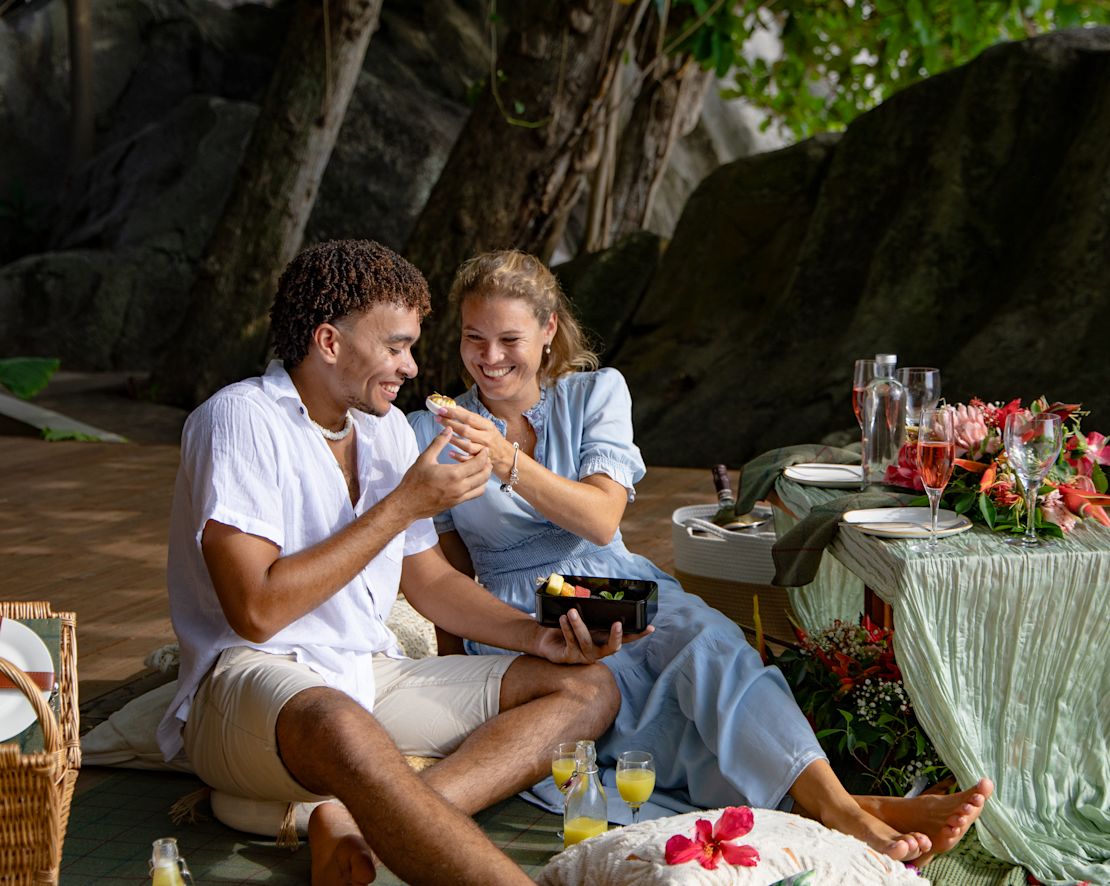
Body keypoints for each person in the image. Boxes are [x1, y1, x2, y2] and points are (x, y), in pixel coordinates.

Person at [407, 249, 993, 868]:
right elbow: (448, 570)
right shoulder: (428, 430)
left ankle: (842, 810)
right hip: (515, 612)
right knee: (637, 717)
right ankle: (857, 808)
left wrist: (507, 460)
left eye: (509, 339)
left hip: (615, 581)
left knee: (710, 644)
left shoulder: (595, 393)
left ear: (548, 329)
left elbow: (601, 519)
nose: (490, 357)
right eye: (474, 338)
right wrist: (460, 683)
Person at [156, 239, 639, 886]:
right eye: (395, 347)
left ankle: (364, 824)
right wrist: (405, 504)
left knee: (587, 689)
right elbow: (256, 610)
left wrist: (537, 638)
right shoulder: (240, 420)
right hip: (250, 679)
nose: (411, 367)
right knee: (340, 720)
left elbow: (431, 583)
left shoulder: (383, 431)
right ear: (329, 342)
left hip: (366, 673)